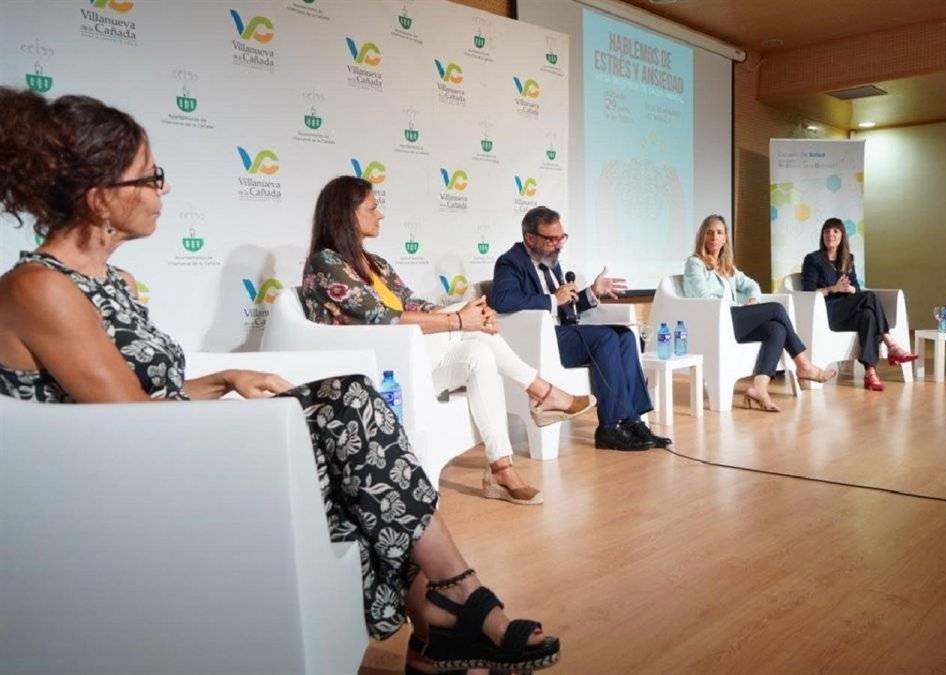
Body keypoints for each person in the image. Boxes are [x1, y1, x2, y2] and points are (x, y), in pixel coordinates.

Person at [0, 88, 559, 674]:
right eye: (150, 177)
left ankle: (441, 618)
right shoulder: (41, 288)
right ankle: (450, 605)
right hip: (121, 488)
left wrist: (223, 378)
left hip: (161, 452)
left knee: (348, 410)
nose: (164, 189)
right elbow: (131, 428)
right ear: (99, 198)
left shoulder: (105, 281)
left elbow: (140, 398)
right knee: (346, 411)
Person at [302, 176, 595, 506]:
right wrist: (458, 319)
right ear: (346, 214)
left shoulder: (376, 264)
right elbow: (380, 317)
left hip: (409, 362)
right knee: (466, 321)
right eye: (372, 207)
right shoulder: (326, 262)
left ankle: (502, 469)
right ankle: (543, 393)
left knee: (479, 354)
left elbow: (412, 303)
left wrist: (469, 314)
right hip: (371, 373)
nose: (380, 214)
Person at [490, 206, 669, 452]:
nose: (558, 245)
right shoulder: (510, 262)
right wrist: (553, 299)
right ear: (529, 238)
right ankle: (609, 428)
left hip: (563, 334)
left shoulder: (551, 261)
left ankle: (633, 421)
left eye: (561, 238)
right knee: (604, 338)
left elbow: (567, 305)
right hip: (539, 340)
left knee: (625, 335)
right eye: (551, 239)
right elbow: (502, 300)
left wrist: (592, 293)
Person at [681, 215, 836, 411]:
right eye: (709, 232)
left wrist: (753, 300)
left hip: (731, 320)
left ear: (725, 238)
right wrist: (739, 307)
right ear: (702, 236)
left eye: (719, 232)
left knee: (776, 329)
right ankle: (804, 365)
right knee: (776, 309)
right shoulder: (695, 264)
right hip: (714, 321)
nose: (714, 237)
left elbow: (752, 285)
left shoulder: (726, 267)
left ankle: (759, 388)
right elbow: (703, 298)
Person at [800, 217, 919, 391]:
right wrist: (833, 288)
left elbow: (856, 287)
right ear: (822, 235)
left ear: (842, 235)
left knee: (868, 316)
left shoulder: (848, 259)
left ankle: (870, 372)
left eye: (835, 231)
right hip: (826, 313)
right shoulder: (813, 259)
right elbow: (808, 293)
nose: (830, 234)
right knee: (869, 296)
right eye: (827, 231)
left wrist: (850, 289)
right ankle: (891, 344)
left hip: (846, 311)